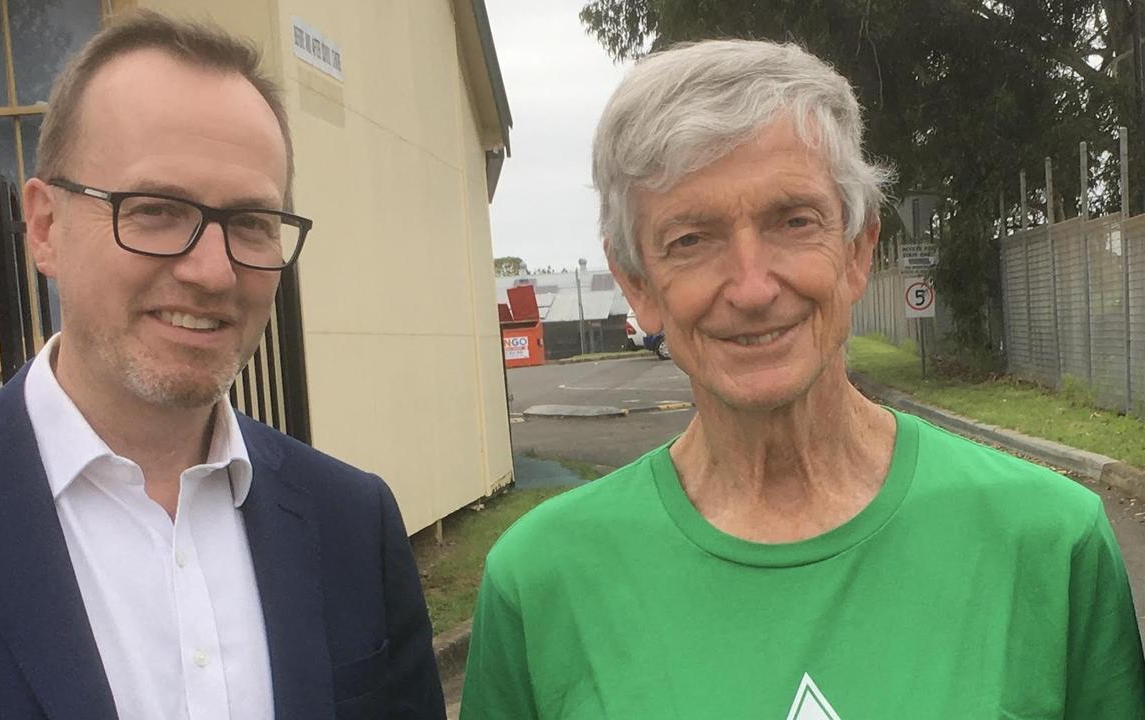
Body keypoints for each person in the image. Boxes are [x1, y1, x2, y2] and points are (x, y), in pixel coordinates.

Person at [459, 39, 1145, 719]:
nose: (753, 288)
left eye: (793, 221)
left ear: (857, 250)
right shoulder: (541, 583)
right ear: (638, 283)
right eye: (691, 240)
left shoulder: (1051, 546)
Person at [0, 11, 443, 720]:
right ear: (45, 228)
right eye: (155, 210)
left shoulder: (354, 524)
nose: (211, 271)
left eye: (251, 222)